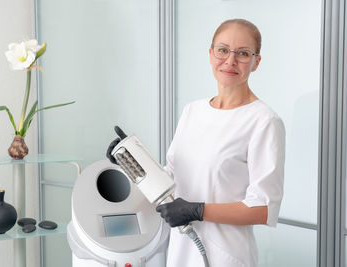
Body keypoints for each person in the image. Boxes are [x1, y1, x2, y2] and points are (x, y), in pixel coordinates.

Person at [107, 18, 285, 267]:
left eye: (243, 53)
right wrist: (131, 162)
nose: (230, 61)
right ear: (211, 54)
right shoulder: (193, 111)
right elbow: (171, 178)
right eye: (222, 50)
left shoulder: (264, 120)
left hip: (227, 256)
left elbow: (263, 208)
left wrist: (198, 210)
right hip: (181, 250)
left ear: (256, 62)